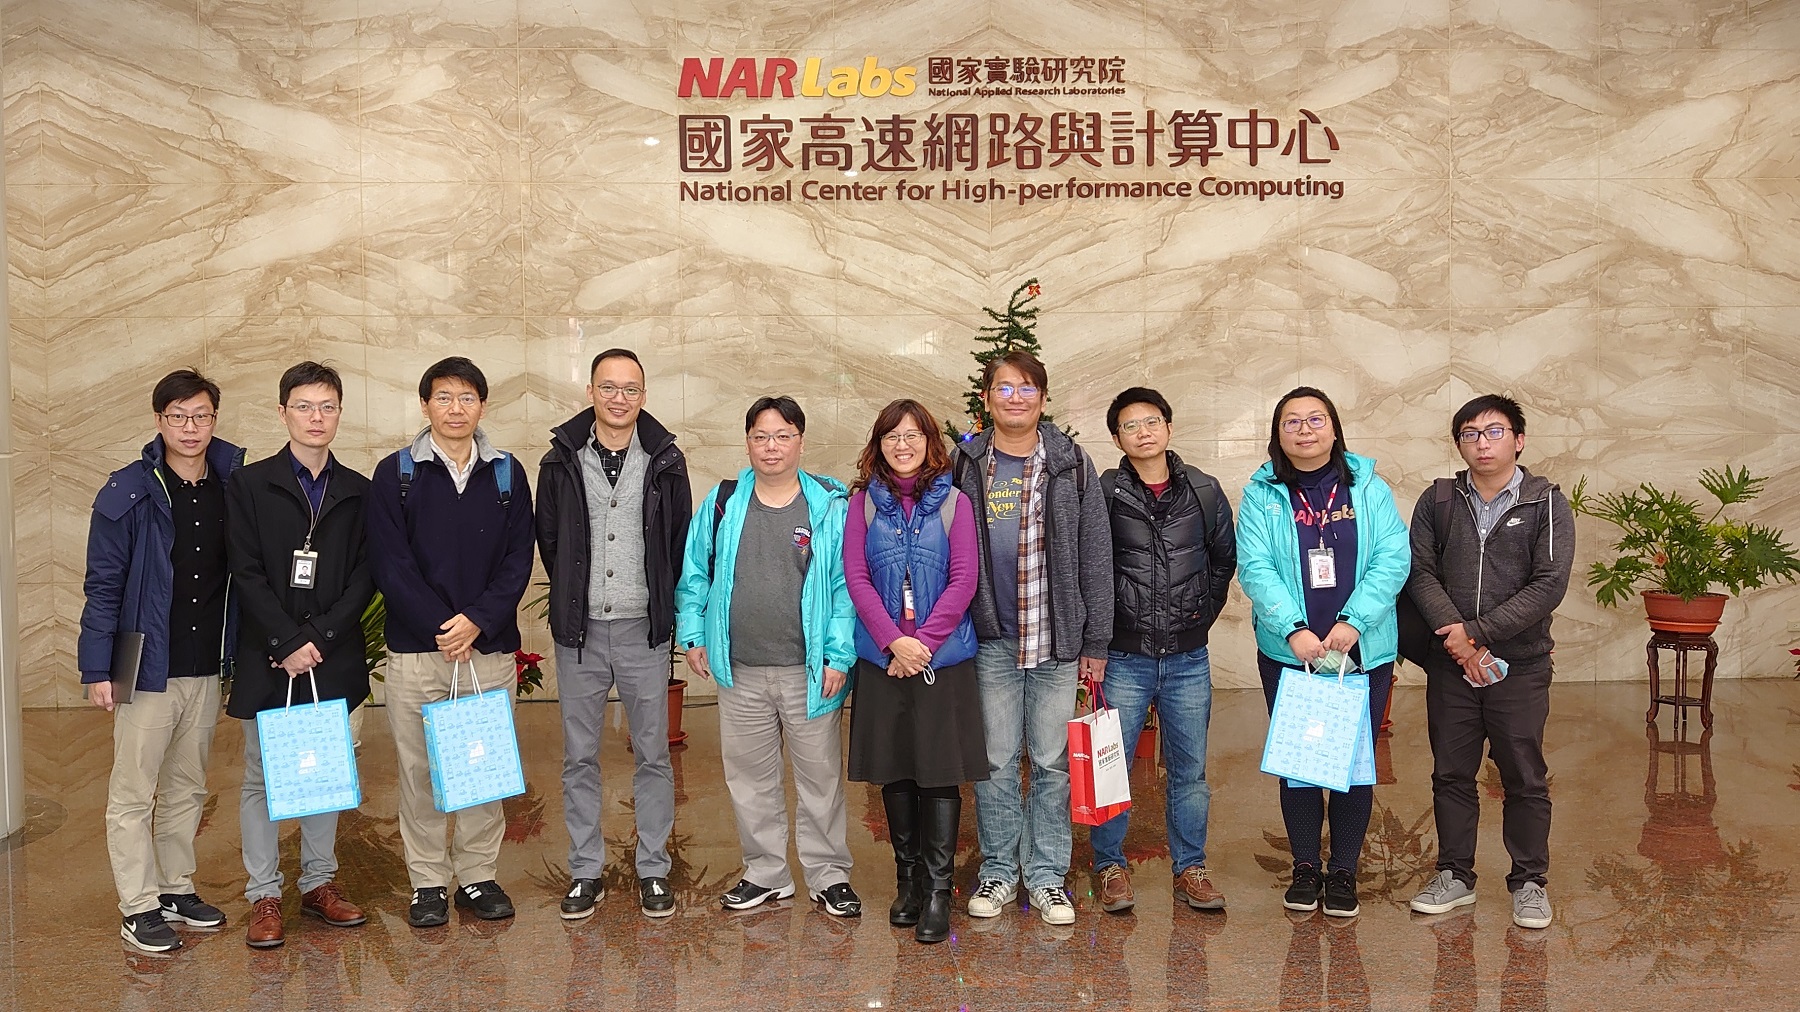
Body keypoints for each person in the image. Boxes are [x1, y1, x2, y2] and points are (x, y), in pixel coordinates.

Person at [676, 396, 861, 917]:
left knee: (820, 777)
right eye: (761, 436)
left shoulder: (828, 504)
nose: (771, 446)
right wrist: (694, 636)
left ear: (801, 439)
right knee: (749, 778)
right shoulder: (724, 500)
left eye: (782, 435)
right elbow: (695, 575)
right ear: (748, 441)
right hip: (741, 670)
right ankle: (766, 873)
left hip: (810, 672)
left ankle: (828, 875)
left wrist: (838, 656)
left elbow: (847, 588)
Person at [367, 356, 535, 928]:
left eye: (467, 397)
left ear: (482, 405)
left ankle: (478, 876)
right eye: (444, 397)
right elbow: (391, 564)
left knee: (481, 768)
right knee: (418, 772)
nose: (455, 408)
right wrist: (444, 625)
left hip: (485, 651)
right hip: (419, 652)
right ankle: (428, 882)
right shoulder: (395, 474)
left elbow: (518, 560)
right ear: (425, 405)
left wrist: (478, 622)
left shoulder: (508, 473)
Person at [80, 369, 244, 952]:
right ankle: (138, 904)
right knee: (133, 790)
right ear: (158, 421)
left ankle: (176, 888)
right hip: (147, 665)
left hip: (205, 663)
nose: (190, 427)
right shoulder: (129, 490)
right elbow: (103, 584)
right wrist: (97, 669)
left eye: (200, 415)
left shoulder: (232, 484)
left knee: (187, 786)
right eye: (177, 416)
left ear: (214, 419)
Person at [950, 350, 1113, 926]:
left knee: (1051, 763)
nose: (1014, 397)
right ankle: (997, 870)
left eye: (1026, 388)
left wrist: (1096, 642)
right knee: (995, 760)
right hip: (991, 638)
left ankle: (1046, 877)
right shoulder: (966, 463)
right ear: (987, 398)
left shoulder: (1072, 463)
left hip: (1057, 639)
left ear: (1042, 399)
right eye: (1003, 388)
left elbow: (1096, 553)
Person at [1236, 386, 1410, 918]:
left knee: (1355, 763)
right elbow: (1256, 566)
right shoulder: (1261, 493)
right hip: (1292, 651)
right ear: (1278, 433)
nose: (1306, 429)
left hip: (1361, 650)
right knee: (1302, 763)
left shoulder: (1368, 486)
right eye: (1293, 421)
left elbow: (1392, 558)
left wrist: (1352, 624)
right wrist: (1294, 632)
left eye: (1317, 419)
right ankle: (1307, 867)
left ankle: (1344, 872)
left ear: (1334, 429)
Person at [1405, 395, 1574, 930]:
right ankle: (1455, 874)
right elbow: (1420, 573)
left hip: (1519, 665)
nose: (1483, 442)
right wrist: (1458, 644)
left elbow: (1548, 585)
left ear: (1518, 440)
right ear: (1459, 443)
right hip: (1450, 667)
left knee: (1524, 775)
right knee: (1451, 773)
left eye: (1495, 431)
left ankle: (1529, 881)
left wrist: (1476, 635)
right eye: (1470, 433)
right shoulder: (1438, 500)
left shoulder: (1546, 503)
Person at [536, 348, 692, 920]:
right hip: (579, 634)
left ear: (643, 396)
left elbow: (679, 543)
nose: (619, 397)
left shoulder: (667, 461)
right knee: (579, 757)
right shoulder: (559, 461)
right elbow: (550, 542)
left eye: (630, 388)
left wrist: (661, 610)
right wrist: (577, 599)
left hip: (641, 631)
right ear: (591, 393)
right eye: (609, 387)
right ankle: (585, 872)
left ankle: (652, 869)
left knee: (652, 754)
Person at [226, 361, 375, 948]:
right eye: (305, 407)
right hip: (271, 651)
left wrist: (322, 638)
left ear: (340, 412)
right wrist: (287, 642)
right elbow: (244, 569)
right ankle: (264, 893)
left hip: (330, 652)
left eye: (328, 407)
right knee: (262, 776)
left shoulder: (359, 491)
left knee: (324, 772)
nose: (317, 418)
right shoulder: (249, 484)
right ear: (282, 410)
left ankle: (319, 885)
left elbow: (366, 575)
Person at [843, 399, 985, 944]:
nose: (903, 445)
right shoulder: (863, 504)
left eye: (913, 436)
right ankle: (909, 880)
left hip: (940, 660)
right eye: (892, 437)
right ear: (878, 445)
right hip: (883, 659)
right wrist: (893, 643)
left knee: (938, 770)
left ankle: (941, 890)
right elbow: (855, 577)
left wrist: (921, 645)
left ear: (930, 442)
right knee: (896, 766)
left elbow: (964, 579)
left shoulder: (954, 503)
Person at [1091, 387, 1237, 914]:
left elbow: (1224, 560)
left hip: (1187, 658)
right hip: (1124, 658)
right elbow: (1092, 568)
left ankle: (1191, 868)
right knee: (1112, 766)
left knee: (1189, 769)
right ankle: (1110, 866)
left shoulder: (1203, 489)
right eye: (1131, 425)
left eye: (1152, 421)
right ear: (1117, 438)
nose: (1143, 431)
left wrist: (1200, 614)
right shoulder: (1104, 492)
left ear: (1168, 428)